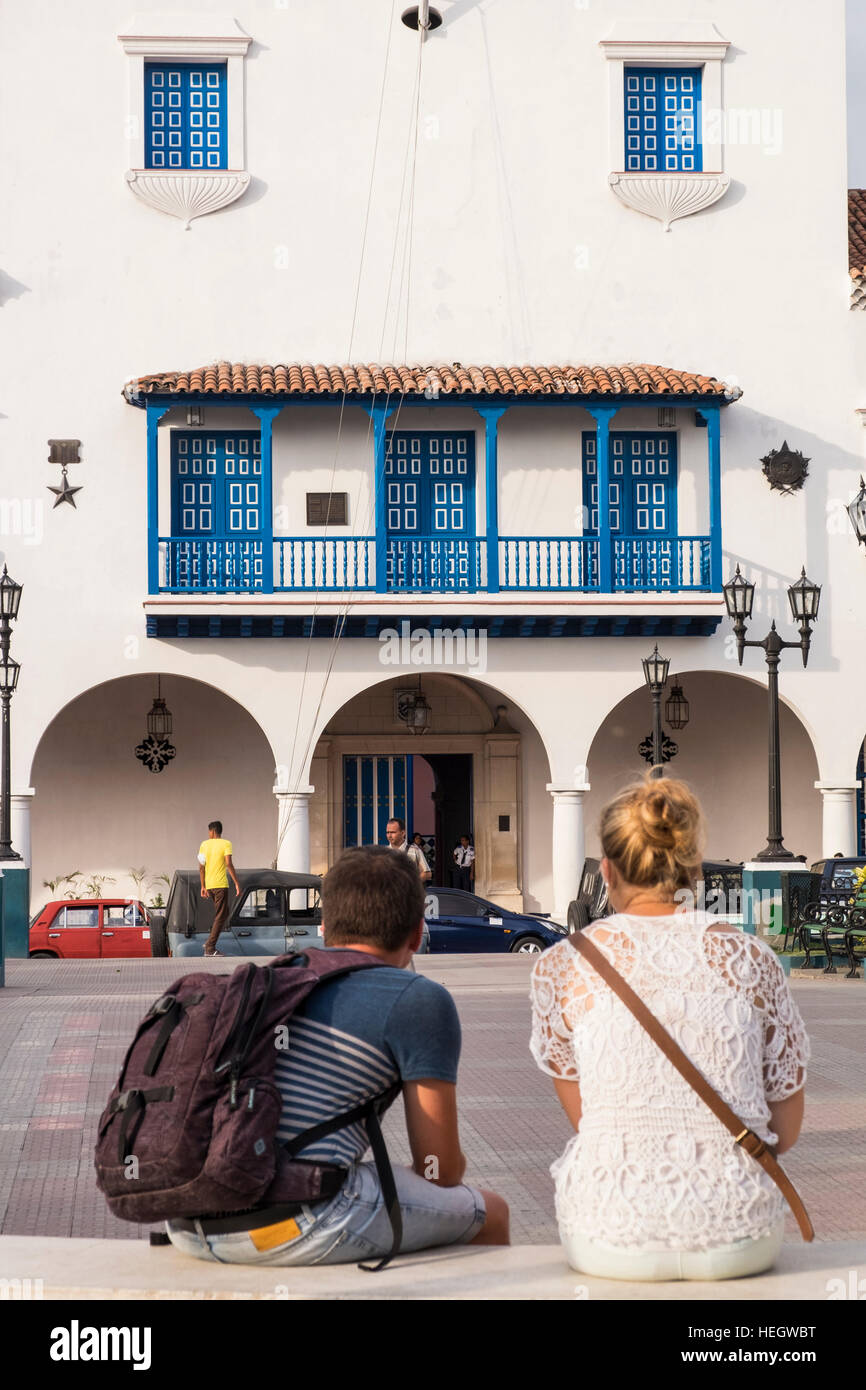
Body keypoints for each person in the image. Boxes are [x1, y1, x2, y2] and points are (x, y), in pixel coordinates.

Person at [166, 845, 509, 1264]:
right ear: (418, 934)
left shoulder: (276, 977)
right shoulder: (420, 998)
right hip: (285, 1226)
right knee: (491, 1212)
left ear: (325, 928)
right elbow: (437, 1168)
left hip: (186, 1216)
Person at [529, 774, 809, 1282]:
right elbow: (783, 1132)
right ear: (695, 869)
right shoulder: (752, 959)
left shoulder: (562, 967)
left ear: (607, 871)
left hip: (610, 1233)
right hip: (739, 1232)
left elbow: (590, 1121)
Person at [197, 819, 241, 957]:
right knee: (221, 915)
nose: (209, 834)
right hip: (221, 884)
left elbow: (201, 867)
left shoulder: (204, 844)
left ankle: (209, 942)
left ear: (212, 831)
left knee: (223, 913)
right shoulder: (226, 843)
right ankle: (210, 947)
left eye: (209, 831)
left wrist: (203, 886)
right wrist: (237, 883)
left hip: (210, 885)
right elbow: (228, 863)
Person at [385, 816, 431, 883]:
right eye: (387, 832)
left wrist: (411, 884)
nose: (389, 835)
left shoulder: (415, 851)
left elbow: (427, 874)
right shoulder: (384, 852)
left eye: (393, 832)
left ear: (403, 833)